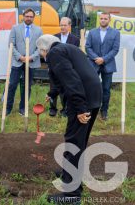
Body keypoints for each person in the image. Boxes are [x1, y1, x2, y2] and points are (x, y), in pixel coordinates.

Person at [36, 34, 101, 204]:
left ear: (44, 49)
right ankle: (69, 172)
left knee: (73, 143)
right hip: (94, 96)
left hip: (82, 100)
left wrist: (80, 108)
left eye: (41, 53)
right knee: (79, 141)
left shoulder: (54, 54)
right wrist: (52, 94)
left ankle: (71, 194)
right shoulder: (69, 48)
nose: (43, 57)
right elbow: (66, 77)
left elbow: (71, 80)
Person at [6, 8, 43, 116]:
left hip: (31, 62)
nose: (29, 18)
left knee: (26, 86)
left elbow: (40, 47)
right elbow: (11, 45)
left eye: (31, 17)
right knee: (12, 85)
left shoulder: (38, 30)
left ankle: (22, 108)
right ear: (23, 16)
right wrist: (20, 57)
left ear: (33, 18)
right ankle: (8, 108)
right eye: (27, 16)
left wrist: (31, 57)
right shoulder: (15, 28)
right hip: (18, 62)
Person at [85, 12, 120, 120]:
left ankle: (104, 111)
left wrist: (103, 59)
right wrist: (96, 58)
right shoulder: (92, 32)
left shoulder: (115, 33)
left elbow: (115, 49)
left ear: (109, 20)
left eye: (105, 18)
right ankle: (90, 109)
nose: (103, 20)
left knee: (106, 89)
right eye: (101, 18)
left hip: (108, 65)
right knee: (91, 88)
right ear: (99, 20)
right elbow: (88, 47)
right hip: (93, 64)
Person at [49, 17, 80, 117]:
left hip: (67, 69)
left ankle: (65, 109)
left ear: (69, 26)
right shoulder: (54, 38)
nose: (62, 27)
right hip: (55, 68)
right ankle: (52, 108)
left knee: (65, 90)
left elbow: (74, 55)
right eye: (61, 25)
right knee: (53, 87)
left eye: (64, 25)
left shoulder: (75, 40)